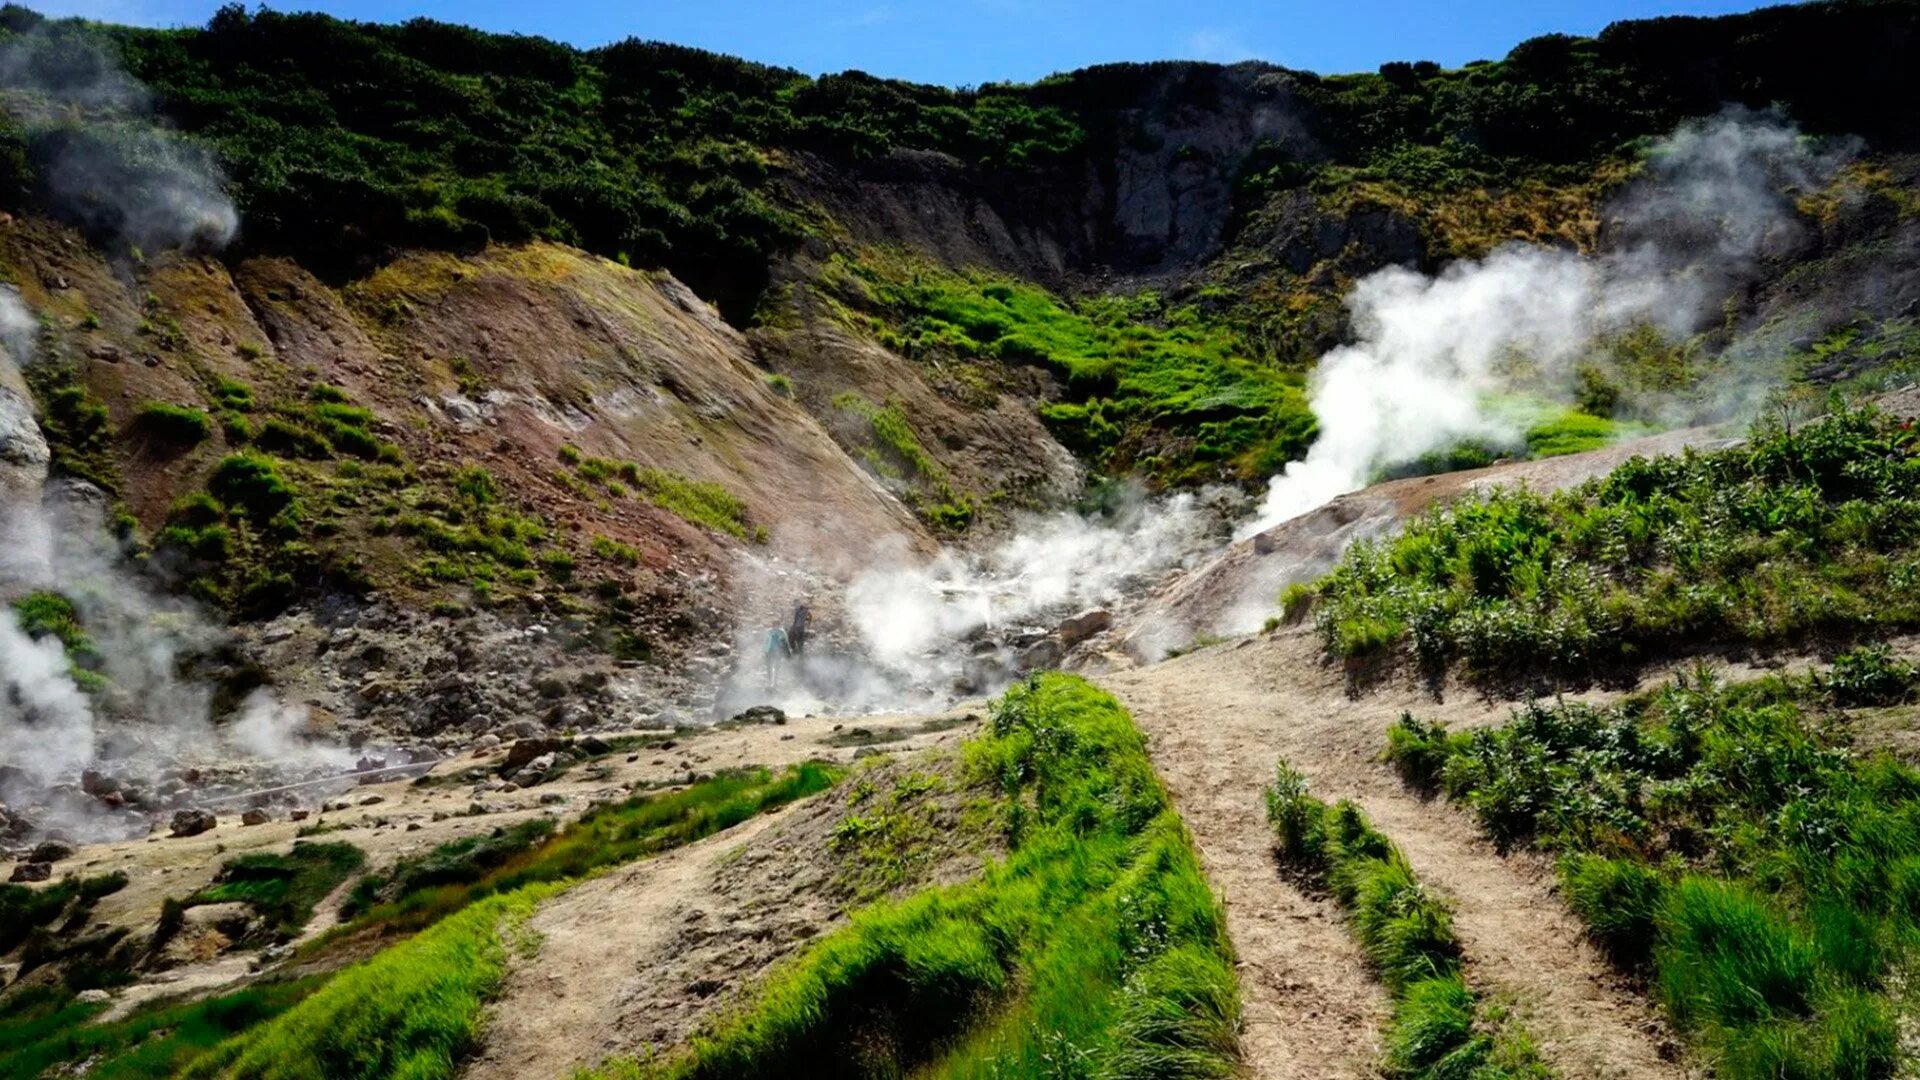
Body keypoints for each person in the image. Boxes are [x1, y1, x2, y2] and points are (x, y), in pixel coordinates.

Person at [762, 625, 789, 691]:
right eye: (774, 626)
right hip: (770, 651)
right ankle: (770, 683)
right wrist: (764, 651)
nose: (775, 627)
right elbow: (765, 641)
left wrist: (786, 652)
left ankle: (775, 683)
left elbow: (785, 642)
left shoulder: (781, 632)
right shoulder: (769, 632)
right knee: (769, 667)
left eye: (776, 626)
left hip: (777, 652)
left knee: (776, 668)